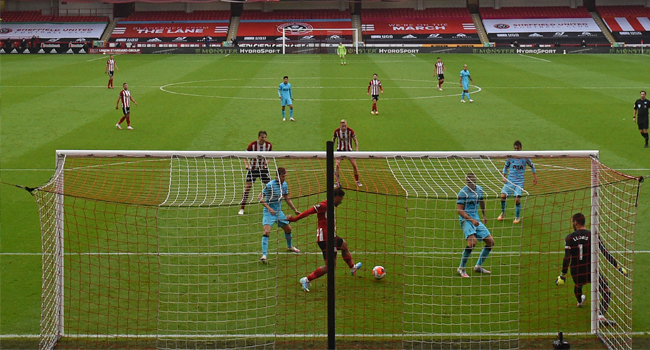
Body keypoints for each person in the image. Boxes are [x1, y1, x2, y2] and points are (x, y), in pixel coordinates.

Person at [555, 213, 629, 324]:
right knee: (606, 290)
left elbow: (567, 258)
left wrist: (562, 275)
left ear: (575, 222)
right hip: (591, 270)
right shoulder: (592, 235)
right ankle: (600, 316)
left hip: (576, 271)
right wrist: (618, 267)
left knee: (578, 285)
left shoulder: (569, 237)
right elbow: (605, 252)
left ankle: (580, 301)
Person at [288, 188, 362, 292]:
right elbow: (309, 211)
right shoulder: (324, 205)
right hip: (325, 240)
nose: (341, 202)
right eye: (340, 199)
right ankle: (306, 280)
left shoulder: (331, 204)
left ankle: (352, 267)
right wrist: (294, 219)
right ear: (335, 197)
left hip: (331, 237)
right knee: (330, 266)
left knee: (344, 245)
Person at [259, 167, 301, 263]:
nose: (284, 178)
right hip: (269, 212)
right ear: (277, 176)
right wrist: (269, 209)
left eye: (285, 176)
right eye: (282, 176)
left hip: (279, 212)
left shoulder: (284, 185)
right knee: (266, 231)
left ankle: (289, 246)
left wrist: (295, 209)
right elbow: (259, 197)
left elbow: (287, 198)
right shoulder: (269, 185)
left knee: (288, 229)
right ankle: (264, 255)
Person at [456, 172, 494, 277]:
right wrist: (471, 220)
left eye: (471, 181)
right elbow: (459, 210)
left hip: (476, 219)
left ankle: (478, 266)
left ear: (475, 180)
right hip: (465, 219)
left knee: (490, 242)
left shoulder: (479, 190)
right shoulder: (463, 193)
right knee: (472, 243)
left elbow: (481, 200)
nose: (469, 183)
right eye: (468, 181)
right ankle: (461, 268)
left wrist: (484, 214)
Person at [498, 140, 538, 224]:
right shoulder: (510, 157)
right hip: (510, 181)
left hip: (519, 182)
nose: (516, 150)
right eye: (515, 148)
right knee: (502, 196)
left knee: (517, 200)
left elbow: (532, 166)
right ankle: (503, 213)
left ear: (521, 148)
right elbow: (505, 167)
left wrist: (535, 177)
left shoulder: (525, 157)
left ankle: (517, 217)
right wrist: (503, 176)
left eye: (518, 148)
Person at [239, 131, 273, 215]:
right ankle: (242, 208)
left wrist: (267, 162)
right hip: (253, 169)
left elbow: (270, 155)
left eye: (265, 137)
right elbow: (244, 156)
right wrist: (246, 165)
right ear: (258, 137)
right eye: (262, 137)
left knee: (270, 187)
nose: (264, 139)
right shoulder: (252, 145)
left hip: (263, 169)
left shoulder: (269, 145)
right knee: (247, 188)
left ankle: (269, 205)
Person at [333, 119, 361, 188]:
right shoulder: (336, 131)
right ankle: (337, 182)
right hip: (339, 150)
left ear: (346, 125)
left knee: (354, 165)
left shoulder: (350, 131)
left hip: (349, 151)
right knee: (337, 165)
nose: (344, 127)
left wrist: (356, 152)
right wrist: (332, 150)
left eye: (345, 125)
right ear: (340, 125)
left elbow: (355, 141)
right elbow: (333, 140)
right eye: (342, 125)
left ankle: (357, 181)